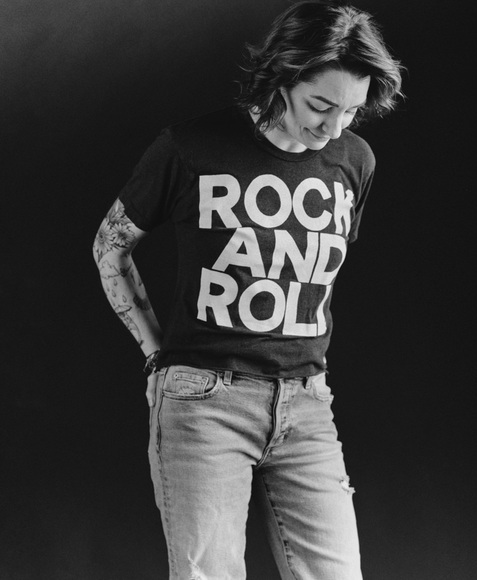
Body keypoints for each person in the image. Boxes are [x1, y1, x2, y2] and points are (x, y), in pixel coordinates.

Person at [93, 1, 402, 578]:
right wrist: (155, 354)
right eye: (321, 105)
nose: (334, 127)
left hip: (308, 405)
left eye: (351, 111)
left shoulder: (354, 161)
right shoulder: (190, 148)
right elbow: (110, 247)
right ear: (283, 77)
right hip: (204, 404)